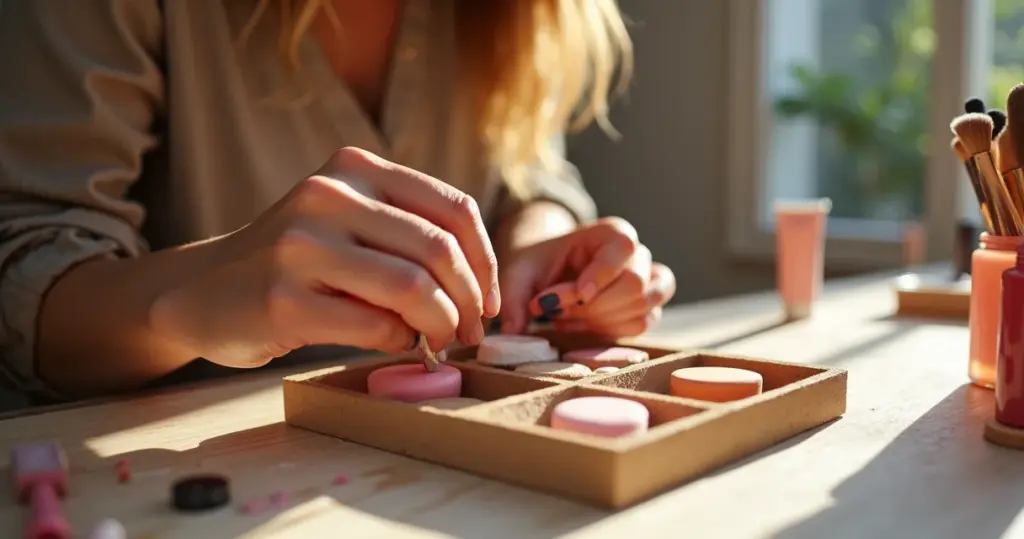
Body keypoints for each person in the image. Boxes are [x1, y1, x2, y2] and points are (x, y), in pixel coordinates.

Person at [0, 0, 676, 409]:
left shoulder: (521, 15)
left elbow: (531, 172)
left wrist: (539, 239)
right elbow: (25, 272)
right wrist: (188, 298)